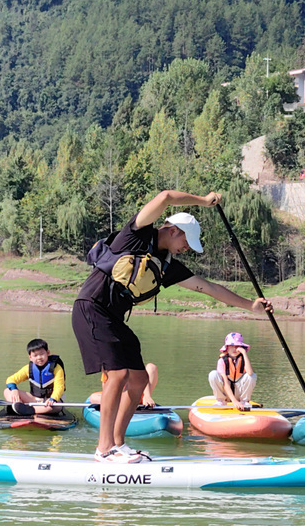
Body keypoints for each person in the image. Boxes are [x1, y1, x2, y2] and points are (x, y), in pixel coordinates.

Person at [72, 190, 272, 464]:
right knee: (117, 375)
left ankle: (118, 444)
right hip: (91, 308)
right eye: (186, 242)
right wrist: (204, 201)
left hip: (114, 319)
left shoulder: (167, 266)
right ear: (173, 230)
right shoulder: (137, 233)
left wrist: (251, 305)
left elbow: (209, 288)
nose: (187, 249)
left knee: (140, 380)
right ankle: (103, 450)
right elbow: (165, 196)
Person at [3, 338, 65, 415]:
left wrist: (53, 398)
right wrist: (14, 390)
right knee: (7, 391)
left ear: (48, 353)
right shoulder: (28, 368)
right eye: (35, 355)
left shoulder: (57, 368)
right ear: (30, 358)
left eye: (42, 354)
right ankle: (18, 406)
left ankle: (28, 410)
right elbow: (11, 379)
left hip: (50, 402)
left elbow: (59, 387)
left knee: (54, 406)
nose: (39, 357)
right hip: (34, 399)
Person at [209, 332, 257, 410]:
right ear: (227, 347)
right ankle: (221, 401)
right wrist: (234, 401)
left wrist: (244, 353)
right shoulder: (222, 361)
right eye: (232, 346)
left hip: (239, 393)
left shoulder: (244, 359)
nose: (234, 349)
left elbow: (250, 372)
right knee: (213, 374)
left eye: (237, 346)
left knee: (252, 376)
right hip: (227, 394)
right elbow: (225, 383)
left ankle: (244, 401)